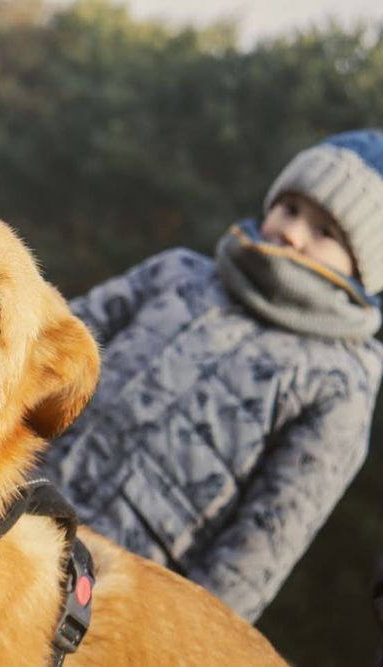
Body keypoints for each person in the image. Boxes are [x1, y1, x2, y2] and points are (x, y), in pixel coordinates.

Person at [38, 129, 383, 622]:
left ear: (367, 268)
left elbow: (263, 545)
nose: (292, 232)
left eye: (325, 231)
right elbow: (49, 357)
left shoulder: (340, 382)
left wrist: (180, 637)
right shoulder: (178, 274)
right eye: (288, 208)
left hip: (110, 602)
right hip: (12, 505)